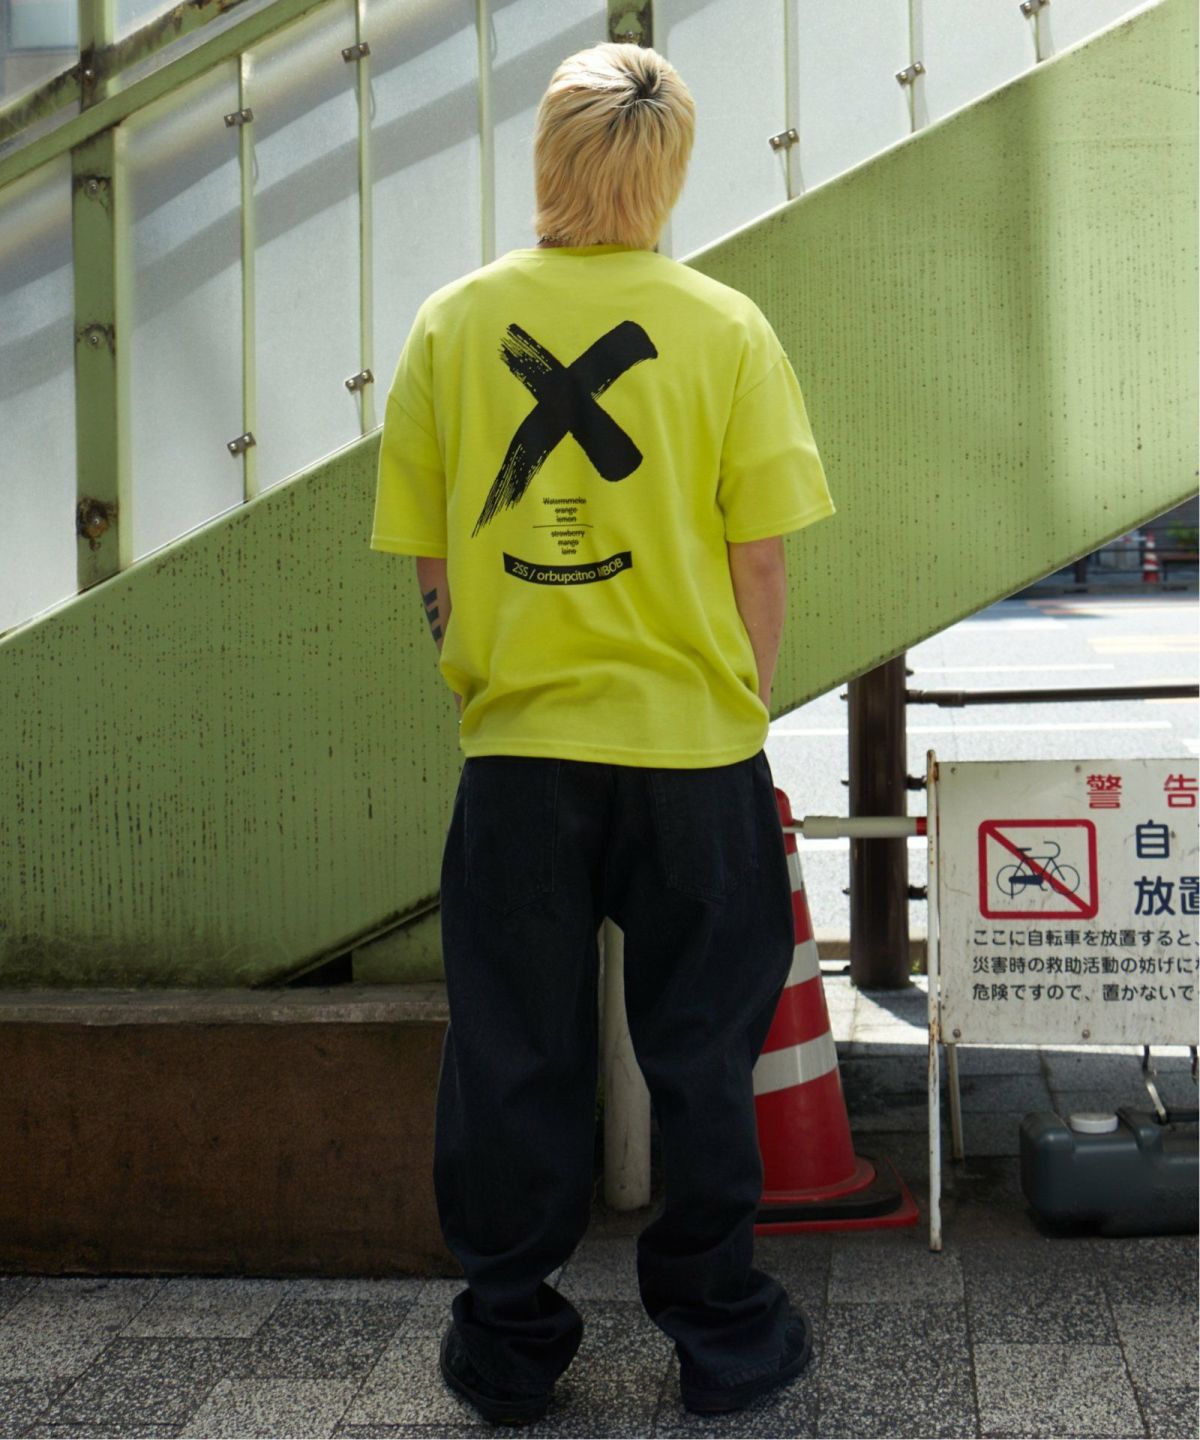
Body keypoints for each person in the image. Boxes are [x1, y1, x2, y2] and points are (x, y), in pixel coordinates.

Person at [369, 41, 836, 1427]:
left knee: (513, 1051)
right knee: (703, 1053)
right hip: (695, 753)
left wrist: (481, 679)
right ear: (670, 166)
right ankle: (721, 1335)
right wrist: (739, 704)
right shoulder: (727, 328)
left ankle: (509, 1344)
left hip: (519, 755)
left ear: (547, 155)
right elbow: (761, 561)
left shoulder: (454, 326)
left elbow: (432, 554)